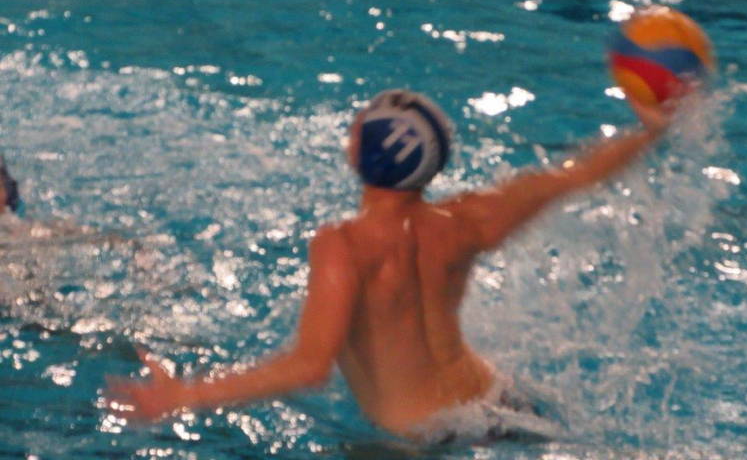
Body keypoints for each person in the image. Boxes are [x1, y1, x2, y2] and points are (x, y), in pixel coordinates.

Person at [106, 89, 671, 441]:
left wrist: (185, 395)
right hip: (498, 404)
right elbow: (576, 175)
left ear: (364, 153)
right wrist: (651, 128)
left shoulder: (344, 246)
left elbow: (309, 366)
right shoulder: (468, 219)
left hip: (418, 441)